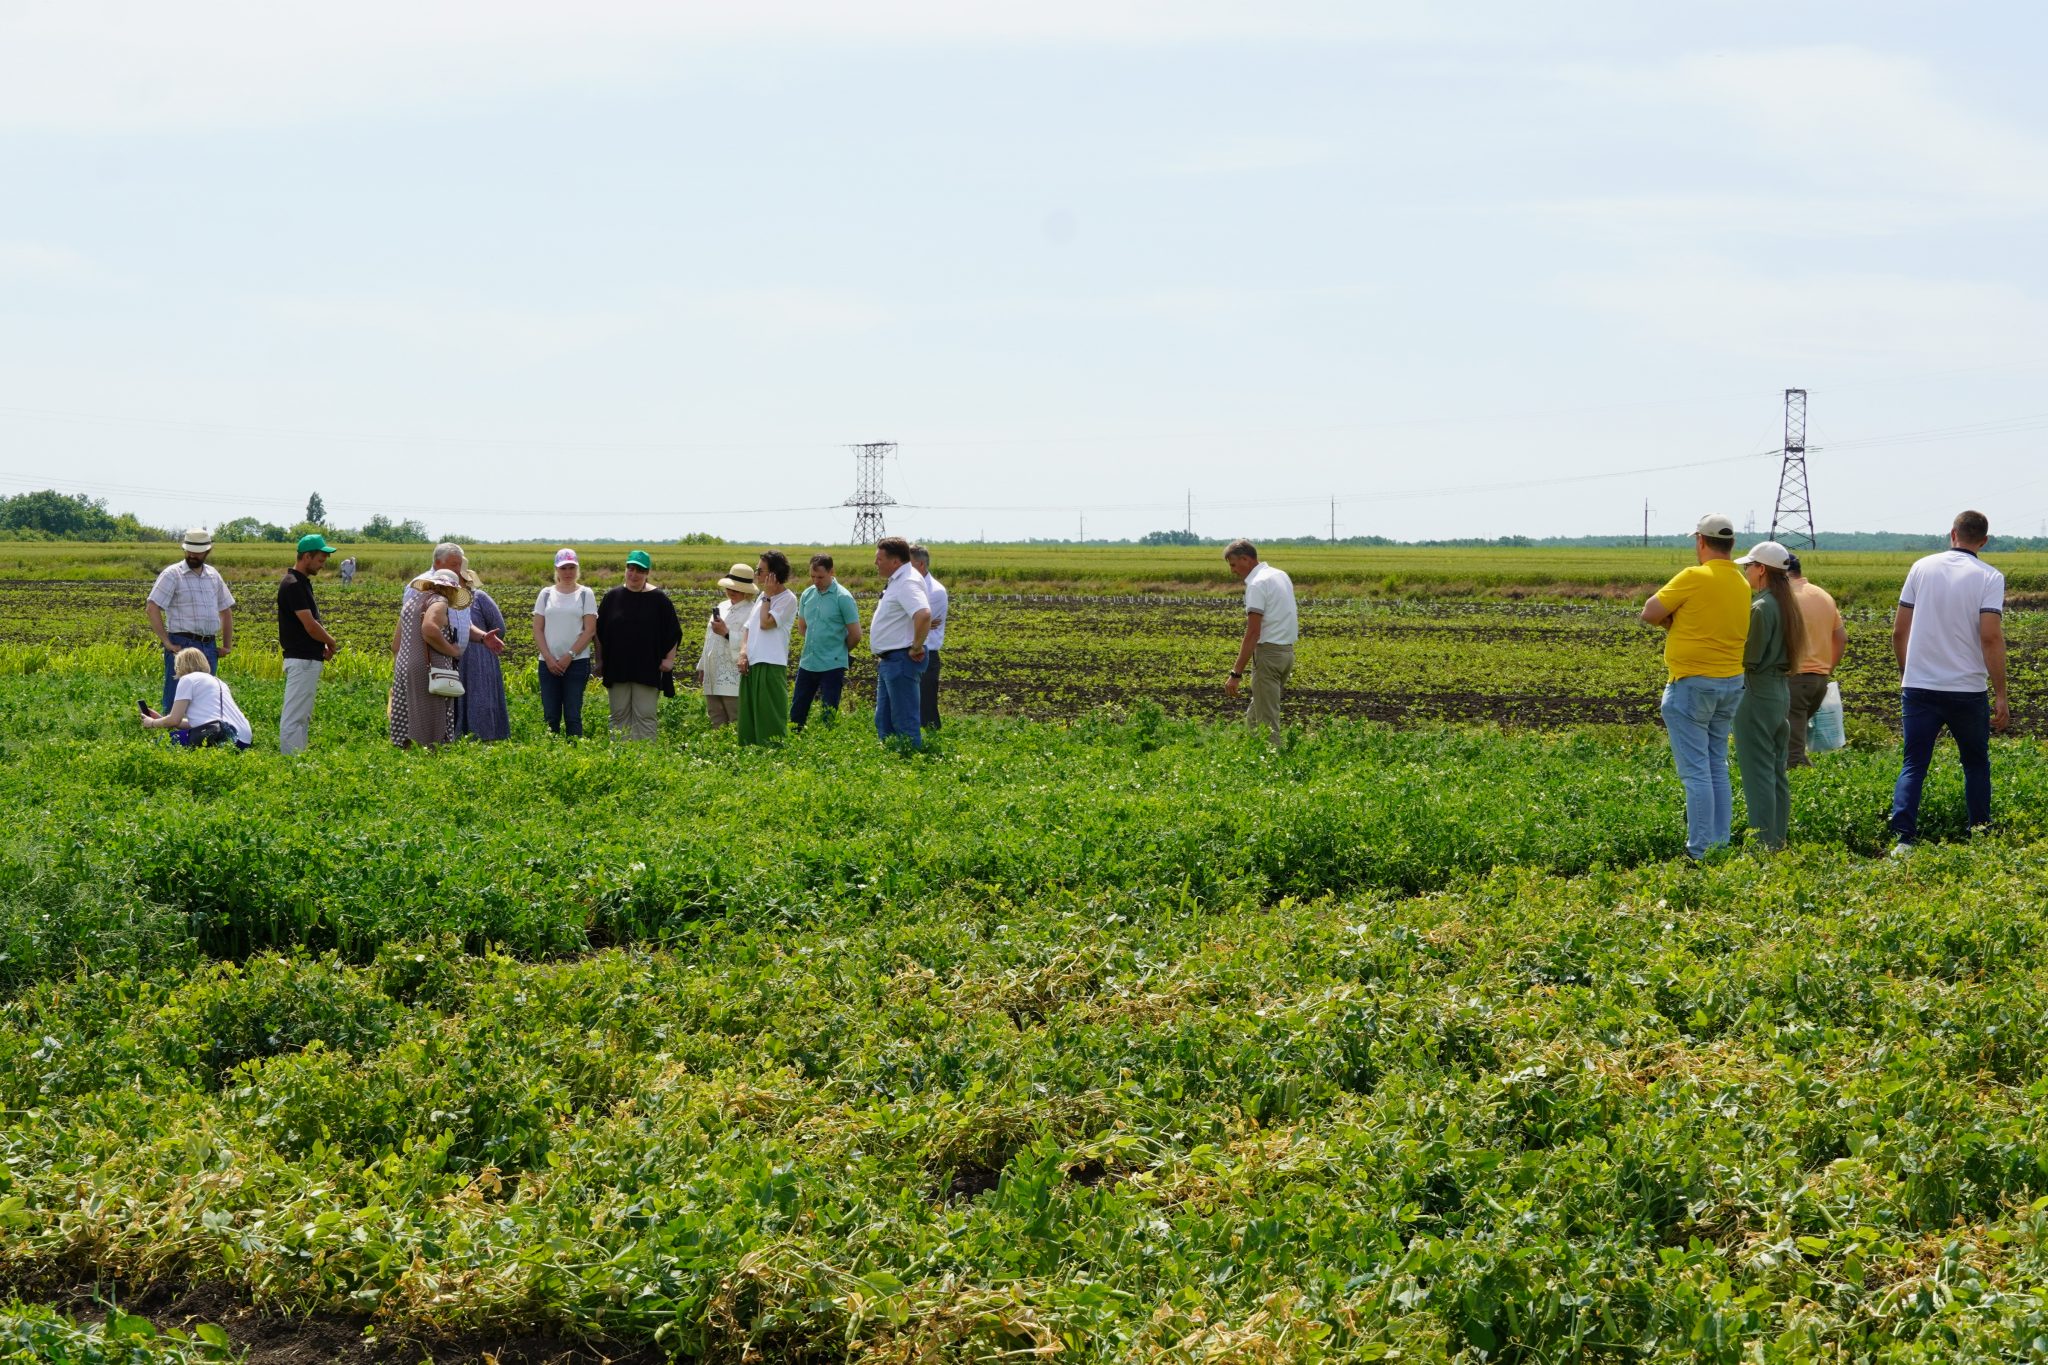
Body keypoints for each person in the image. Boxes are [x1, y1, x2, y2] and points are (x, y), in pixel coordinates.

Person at [1888, 510, 2010, 853]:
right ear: (1983, 541)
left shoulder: (1921, 568)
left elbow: (1899, 631)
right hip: (1967, 689)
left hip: (1919, 687)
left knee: (1914, 763)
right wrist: (2000, 694)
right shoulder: (1990, 576)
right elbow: (1990, 637)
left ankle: (1904, 840)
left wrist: (1906, 675)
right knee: (1975, 764)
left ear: (1951, 534)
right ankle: (1980, 834)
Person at [1640, 514, 1752, 860]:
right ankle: (1719, 844)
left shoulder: (1694, 576)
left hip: (1692, 684)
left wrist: (1672, 622)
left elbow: (1650, 611)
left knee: (1695, 773)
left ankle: (1701, 850)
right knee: (1716, 764)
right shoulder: (1741, 581)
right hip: (1731, 682)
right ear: (1731, 545)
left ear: (1701, 542)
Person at [1732, 542, 1805, 852]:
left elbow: (1749, 657)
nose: (1745, 571)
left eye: (1748, 566)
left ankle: (1763, 846)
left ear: (1761, 569)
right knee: (1776, 773)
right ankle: (1777, 840)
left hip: (1757, 692)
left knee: (1756, 774)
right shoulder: (1786, 603)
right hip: (1779, 692)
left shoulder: (1761, 607)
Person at [145, 527, 235, 713]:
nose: (193, 555)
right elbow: (152, 607)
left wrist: (226, 646)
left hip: (209, 646)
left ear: (208, 551)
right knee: (176, 697)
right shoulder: (173, 574)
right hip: (182, 645)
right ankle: (170, 737)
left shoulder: (213, 575)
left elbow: (225, 610)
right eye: (189, 550)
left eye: (198, 552)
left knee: (205, 700)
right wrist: (167, 642)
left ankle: (200, 736)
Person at [595, 550, 682, 741]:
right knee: (618, 715)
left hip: (648, 667)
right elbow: (599, 632)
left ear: (647, 573)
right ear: (625, 569)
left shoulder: (660, 600)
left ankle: (645, 758)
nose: (634, 574)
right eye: (630, 569)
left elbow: (673, 631)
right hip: (617, 666)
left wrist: (669, 659)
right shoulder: (612, 597)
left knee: (645, 715)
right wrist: (599, 660)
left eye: (640, 571)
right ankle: (620, 757)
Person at [1222, 539, 1298, 743]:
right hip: (1286, 654)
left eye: (1233, 565)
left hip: (1268, 656)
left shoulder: (1257, 584)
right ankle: (1253, 756)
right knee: (1255, 717)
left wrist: (1236, 673)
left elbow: (1253, 633)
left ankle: (1273, 765)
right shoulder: (1280, 575)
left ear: (1246, 559)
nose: (1233, 571)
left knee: (1267, 723)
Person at [276, 532, 340, 755]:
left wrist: (321, 644)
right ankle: (292, 765)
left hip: (307, 658)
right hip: (302, 660)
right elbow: (310, 625)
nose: (322, 565)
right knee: (294, 718)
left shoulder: (301, 583)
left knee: (302, 716)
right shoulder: (293, 584)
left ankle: (299, 760)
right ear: (306, 557)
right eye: (320, 560)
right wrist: (331, 642)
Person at [868, 536, 931, 750]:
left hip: (901, 659)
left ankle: (912, 764)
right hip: (890, 660)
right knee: (884, 719)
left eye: (879, 558)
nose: (875, 562)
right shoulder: (898, 579)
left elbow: (923, 614)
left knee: (904, 719)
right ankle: (891, 763)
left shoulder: (907, 582)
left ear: (895, 562)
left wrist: (916, 646)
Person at [1784, 552, 1846, 767]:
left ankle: (1801, 792)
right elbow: (1841, 638)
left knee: (1791, 752)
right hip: (1818, 682)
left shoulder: (1784, 598)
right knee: (1794, 739)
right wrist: (1827, 669)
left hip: (1794, 680)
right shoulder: (1823, 595)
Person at [390, 568, 464, 749]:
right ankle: (430, 755)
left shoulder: (412, 602)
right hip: (428, 668)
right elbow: (429, 629)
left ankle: (407, 753)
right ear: (451, 589)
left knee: (408, 714)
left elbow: (395, 645)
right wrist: (452, 651)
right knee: (430, 713)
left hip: (404, 665)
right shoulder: (439, 601)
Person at [532, 548, 598, 737]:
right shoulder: (546, 594)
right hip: (548, 663)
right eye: (563, 568)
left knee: (572, 715)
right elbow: (537, 628)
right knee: (550, 716)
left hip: (576, 663)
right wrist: (549, 658)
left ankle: (574, 753)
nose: (568, 572)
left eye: (571, 567)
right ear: (556, 570)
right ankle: (551, 755)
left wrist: (569, 656)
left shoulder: (586, 594)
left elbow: (589, 630)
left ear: (577, 569)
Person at [790, 553, 860, 730]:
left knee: (829, 712)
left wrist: (840, 650)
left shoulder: (843, 597)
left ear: (831, 572)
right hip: (808, 662)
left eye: (820, 577)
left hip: (832, 664)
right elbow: (802, 627)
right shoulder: (807, 594)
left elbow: (855, 634)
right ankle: (795, 743)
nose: (816, 581)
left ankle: (828, 745)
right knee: (797, 712)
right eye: (812, 577)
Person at [736, 551, 799, 746]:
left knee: (770, 716)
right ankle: (750, 757)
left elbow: (766, 623)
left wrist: (768, 597)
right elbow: (748, 628)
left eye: (760, 570)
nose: (757, 574)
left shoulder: (788, 599)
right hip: (752, 663)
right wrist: (743, 652)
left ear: (774, 574)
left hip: (771, 663)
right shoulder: (763, 597)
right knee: (749, 717)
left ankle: (773, 759)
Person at [139, 647, 252, 750]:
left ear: (179, 666)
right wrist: (162, 719)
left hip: (223, 736)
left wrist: (152, 723)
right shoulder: (218, 682)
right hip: (243, 739)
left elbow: (175, 719)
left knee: (162, 742)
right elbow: (202, 722)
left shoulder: (188, 679)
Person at [695, 563, 755, 728]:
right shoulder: (722, 606)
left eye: (737, 589)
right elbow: (709, 638)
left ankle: (737, 752)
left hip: (733, 674)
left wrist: (726, 633)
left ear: (747, 590)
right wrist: (702, 666)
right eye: (730, 588)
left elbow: (750, 642)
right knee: (715, 718)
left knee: (736, 718)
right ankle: (717, 751)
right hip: (713, 672)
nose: (731, 592)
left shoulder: (752, 611)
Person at [454, 577, 511, 742]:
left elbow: (499, 628)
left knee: (481, 699)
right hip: (457, 658)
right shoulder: (444, 600)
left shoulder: (479, 598)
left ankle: (486, 739)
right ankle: (460, 738)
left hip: (480, 659)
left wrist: (482, 638)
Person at [910, 544, 948, 731]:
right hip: (911, 649)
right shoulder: (909, 586)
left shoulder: (935, 591)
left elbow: (920, 620)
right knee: (909, 704)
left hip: (927, 653)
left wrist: (917, 620)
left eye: (909, 565)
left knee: (926, 706)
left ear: (921, 565)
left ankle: (932, 744)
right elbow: (914, 620)